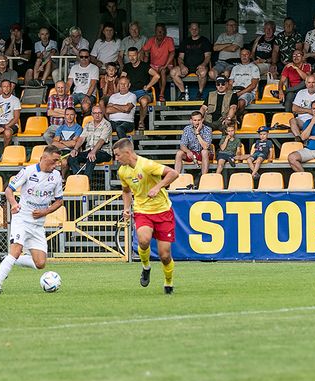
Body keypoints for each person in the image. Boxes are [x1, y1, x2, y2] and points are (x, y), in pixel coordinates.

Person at [0, 145, 63, 294]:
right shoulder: (28, 171)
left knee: (40, 264)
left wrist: (45, 211)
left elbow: (59, 201)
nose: (56, 164)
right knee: (16, 251)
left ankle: (8, 259)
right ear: (44, 158)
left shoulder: (56, 176)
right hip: (22, 219)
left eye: (58, 161)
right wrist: (14, 204)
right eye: (54, 161)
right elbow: (9, 190)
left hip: (38, 224)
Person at [114, 137, 179, 294]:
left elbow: (173, 173)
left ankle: (168, 283)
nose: (115, 158)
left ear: (127, 152)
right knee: (143, 241)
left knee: (165, 255)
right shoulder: (122, 171)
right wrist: (127, 208)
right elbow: (126, 191)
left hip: (163, 211)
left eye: (117, 155)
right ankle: (146, 267)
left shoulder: (147, 165)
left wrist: (158, 187)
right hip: (142, 211)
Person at [68, 106, 112, 180]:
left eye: (99, 113)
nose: (97, 115)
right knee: (72, 157)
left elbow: (102, 140)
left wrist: (93, 151)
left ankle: (86, 181)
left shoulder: (107, 125)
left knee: (91, 157)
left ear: (102, 113)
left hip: (104, 152)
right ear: (92, 114)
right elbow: (82, 138)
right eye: (95, 113)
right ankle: (79, 178)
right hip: (89, 151)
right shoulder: (88, 124)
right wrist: (75, 149)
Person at [170, 22, 212, 100]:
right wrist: (182, 66)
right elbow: (180, 57)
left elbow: (208, 56)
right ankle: (183, 92)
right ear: (189, 30)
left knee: (203, 72)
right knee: (173, 72)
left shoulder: (204, 41)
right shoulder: (185, 41)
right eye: (192, 29)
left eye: (196, 29)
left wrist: (203, 65)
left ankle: (200, 93)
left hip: (200, 66)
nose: (194, 30)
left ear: (199, 29)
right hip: (187, 66)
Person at [122, 47, 160, 130]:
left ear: (138, 55)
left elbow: (157, 76)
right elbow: (122, 78)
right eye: (130, 56)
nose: (132, 58)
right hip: (131, 93)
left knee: (144, 101)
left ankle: (141, 122)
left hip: (143, 93)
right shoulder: (127, 66)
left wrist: (148, 86)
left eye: (134, 55)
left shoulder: (144, 65)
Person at [141, 23, 175, 102]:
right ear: (155, 32)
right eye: (158, 31)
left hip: (166, 66)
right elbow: (143, 50)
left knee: (162, 71)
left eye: (161, 31)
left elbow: (172, 53)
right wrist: (143, 62)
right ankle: (149, 94)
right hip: (154, 66)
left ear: (165, 32)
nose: (160, 33)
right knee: (148, 72)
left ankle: (161, 94)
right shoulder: (151, 40)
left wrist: (165, 65)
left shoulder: (169, 40)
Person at [288, 99, 315, 175]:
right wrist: (312, 123)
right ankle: (306, 177)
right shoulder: (308, 122)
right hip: (309, 150)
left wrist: (311, 137)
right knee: (292, 157)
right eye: (313, 108)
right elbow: (303, 137)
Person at [174, 111, 213, 175]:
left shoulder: (208, 129)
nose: (197, 122)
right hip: (192, 153)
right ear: (191, 121)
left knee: (204, 152)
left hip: (204, 154)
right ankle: (176, 176)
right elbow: (182, 145)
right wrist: (188, 151)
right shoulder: (187, 129)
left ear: (202, 120)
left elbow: (205, 147)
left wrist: (197, 133)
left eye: (199, 120)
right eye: (195, 120)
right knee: (179, 153)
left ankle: (204, 177)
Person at [289, 75, 315, 140]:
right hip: (302, 121)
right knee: (292, 121)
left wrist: (302, 110)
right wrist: (309, 111)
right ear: (306, 83)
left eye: (313, 82)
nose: (311, 85)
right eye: (309, 82)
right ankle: (300, 139)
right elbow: (294, 109)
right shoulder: (301, 93)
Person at [66, 48, 99, 116]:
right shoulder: (74, 68)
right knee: (65, 103)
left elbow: (93, 84)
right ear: (78, 57)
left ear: (89, 57)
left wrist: (87, 96)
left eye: (86, 57)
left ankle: (84, 124)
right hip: (75, 94)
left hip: (89, 94)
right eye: (81, 57)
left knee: (85, 106)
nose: (84, 59)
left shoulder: (94, 68)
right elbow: (69, 83)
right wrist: (63, 94)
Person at [51, 107, 82, 177]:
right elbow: (54, 143)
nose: (69, 117)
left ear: (75, 116)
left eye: (72, 115)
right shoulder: (60, 128)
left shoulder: (78, 128)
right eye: (67, 114)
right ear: (64, 116)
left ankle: (63, 179)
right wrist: (69, 143)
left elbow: (74, 143)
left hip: (72, 152)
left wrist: (61, 141)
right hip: (60, 152)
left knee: (64, 162)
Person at [228, 48, 260, 118]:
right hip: (234, 91)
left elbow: (253, 85)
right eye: (242, 54)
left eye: (246, 54)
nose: (244, 56)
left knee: (241, 102)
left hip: (248, 92)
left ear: (250, 56)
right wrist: (229, 93)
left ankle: (236, 118)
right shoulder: (235, 68)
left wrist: (239, 94)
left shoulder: (254, 68)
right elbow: (230, 83)